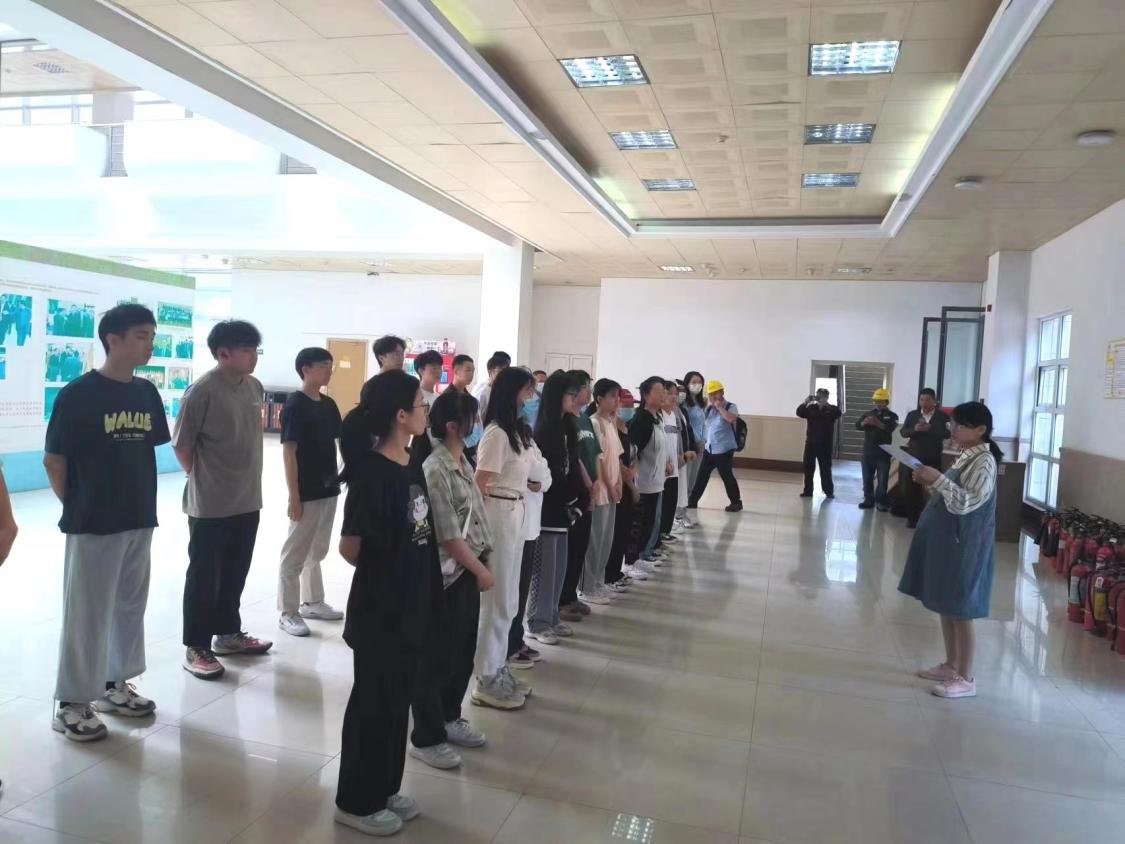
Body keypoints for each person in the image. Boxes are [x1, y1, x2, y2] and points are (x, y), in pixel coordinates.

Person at [42, 304, 169, 740]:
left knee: (129, 606)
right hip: (93, 521)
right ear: (113, 340)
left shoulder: (146, 393)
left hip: (139, 517)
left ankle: (115, 684)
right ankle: (73, 702)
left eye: (152, 336)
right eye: (141, 336)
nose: (150, 345)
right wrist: (79, 506)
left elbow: (145, 451)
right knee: (88, 613)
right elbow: (54, 460)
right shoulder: (78, 394)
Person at [334, 369, 442, 837]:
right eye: (420, 405)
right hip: (380, 611)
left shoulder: (411, 461)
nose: (425, 412)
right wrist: (391, 571)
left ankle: (385, 786)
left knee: (398, 703)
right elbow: (350, 547)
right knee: (373, 705)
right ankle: (356, 801)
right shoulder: (372, 474)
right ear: (400, 415)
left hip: (411, 606)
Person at [174, 320, 271, 680]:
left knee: (235, 570)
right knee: (204, 576)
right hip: (211, 503)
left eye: (255, 350)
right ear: (223, 353)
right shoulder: (201, 391)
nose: (252, 357)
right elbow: (182, 445)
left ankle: (228, 633)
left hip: (247, 498)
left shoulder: (254, 387)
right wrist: (202, 478)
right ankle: (196, 645)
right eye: (246, 350)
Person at [411, 389, 494, 771]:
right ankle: (426, 736)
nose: (477, 425)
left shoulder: (462, 461)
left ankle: (449, 716)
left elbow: (474, 517)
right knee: (436, 658)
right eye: (472, 420)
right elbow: (447, 535)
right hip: (447, 576)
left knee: (461, 652)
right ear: (452, 426)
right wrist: (479, 569)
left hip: (468, 572)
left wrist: (483, 560)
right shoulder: (435, 469)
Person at [897, 401, 1002, 700]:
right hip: (950, 541)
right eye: (952, 423)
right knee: (947, 604)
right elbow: (948, 494)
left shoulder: (984, 462)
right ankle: (951, 664)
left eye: (960, 424)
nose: (952, 429)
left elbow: (966, 503)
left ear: (980, 430)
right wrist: (929, 481)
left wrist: (938, 479)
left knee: (961, 609)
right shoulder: (966, 455)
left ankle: (966, 678)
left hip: (966, 544)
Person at [471, 366, 538, 710]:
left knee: (510, 599)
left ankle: (498, 666)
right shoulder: (496, 433)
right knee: (496, 600)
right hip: (497, 514)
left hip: (515, 512)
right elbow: (479, 484)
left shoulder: (517, 433)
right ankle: (485, 677)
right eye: (526, 392)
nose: (530, 398)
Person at [277, 347, 344, 638]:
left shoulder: (328, 404)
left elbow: (341, 443)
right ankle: (288, 612)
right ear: (306, 369)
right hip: (306, 490)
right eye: (324, 365)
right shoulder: (295, 405)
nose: (329, 371)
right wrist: (294, 496)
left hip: (329, 488)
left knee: (318, 549)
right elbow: (289, 453)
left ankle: (313, 602)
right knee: (295, 553)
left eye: (331, 366)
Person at [528, 371, 580, 644]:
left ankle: (552, 615)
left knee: (559, 566)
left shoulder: (567, 427)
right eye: (571, 394)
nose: (576, 399)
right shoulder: (544, 430)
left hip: (562, 507)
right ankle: (537, 622)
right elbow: (546, 473)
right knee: (545, 568)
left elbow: (570, 468)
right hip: (547, 508)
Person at [509, 397, 551, 670]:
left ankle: (517, 639)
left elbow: (545, 474)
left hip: (531, 522)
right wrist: (537, 477)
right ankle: (509, 645)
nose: (528, 404)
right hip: (516, 524)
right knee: (513, 590)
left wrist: (540, 480)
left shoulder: (528, 439)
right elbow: (535, 470)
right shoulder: (505, 437)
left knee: (522, 587)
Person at [578, 378, 623, 605]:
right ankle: (587, 587)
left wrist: (619, 484)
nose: (616, 401)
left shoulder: (611, 422)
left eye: (617, 396)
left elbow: (617, 457)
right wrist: (609, 486)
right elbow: (600, 459)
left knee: (606, 540)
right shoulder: (594, 423)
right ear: (599, 399)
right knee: (595, 541)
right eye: (612, 396)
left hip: (613, 490)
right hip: (603, 491)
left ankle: (599, 582)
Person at [630, 377, 672, 572]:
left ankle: (645, 554)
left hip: (656, 481)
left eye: (664, 391)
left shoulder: (657, 418)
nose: (664, 395)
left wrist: (667, 462)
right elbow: (633, 452)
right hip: (643, 483)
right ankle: (634, 560)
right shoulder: (641, 421)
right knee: (640, 523)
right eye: (659, 391)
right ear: (646, 395)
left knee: (652, 521)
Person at [687, 380, 743, 513]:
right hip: (710, 449)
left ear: (722, 392)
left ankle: (736, 502)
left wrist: (720, 408)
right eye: (711, 394)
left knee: (727, 476)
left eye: (716, 393)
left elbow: (731, 419)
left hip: (724, 450)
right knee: (702, 476)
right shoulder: (709, 408)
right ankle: (692, 501)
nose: (713, 396)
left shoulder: (730, 406)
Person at [606, 389, 643, 586]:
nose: (629, 409)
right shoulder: (611, 427)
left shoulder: (627, 428)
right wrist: (630, 483)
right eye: (625, 405)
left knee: (624, 531)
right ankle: (609, 575)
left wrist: (634, 473)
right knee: (615, 532)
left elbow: (633, 456)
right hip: (619, 486)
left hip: (628, 485)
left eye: (631, 406)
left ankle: (617, 571)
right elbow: (616, 461)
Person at [900, 388, 951, 528]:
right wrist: (915, 429)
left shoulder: (943, 416)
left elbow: (947, 434)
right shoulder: (913, 415)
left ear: (934, 401)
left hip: (933, 456)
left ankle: (931, 519)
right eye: (921, 399)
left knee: (934, 489)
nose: (924, 403)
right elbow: (903, 432)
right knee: (910, 489)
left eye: (928, 400)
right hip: (914, 456)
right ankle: (912, 519)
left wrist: (931, 429)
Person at [659, 381, 696, 544]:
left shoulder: (675, 414)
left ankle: (665, 533)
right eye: (670, 393)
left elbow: (681, 437)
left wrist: (683, 455)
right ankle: (658, 537)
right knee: (662, 502)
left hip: (677, 462)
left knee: (672, 498)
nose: (674, 396)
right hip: (663, 467)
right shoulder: (659, 416)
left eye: (676, 393)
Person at [856, 388, 899, 512]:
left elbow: (890, 429)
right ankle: (868, 500)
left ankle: (881, 502)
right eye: (876, 401)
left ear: (886, 402)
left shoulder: (892, 416)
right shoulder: (868, 414)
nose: (878, 403)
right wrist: (864, 422)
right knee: (867, 478)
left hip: (883, 454)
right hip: (868, 452)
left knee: (882, 479)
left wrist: (877, 423)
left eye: (881, 401)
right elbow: (857, 425)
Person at [797, 388, 842, 499]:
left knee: (825, 468)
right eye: (818, 395)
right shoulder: (811, 408)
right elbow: (799, 412)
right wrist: (806, 402)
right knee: (808, 468)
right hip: (811, 443)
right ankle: (808, 491)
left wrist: (826, 405)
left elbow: (838, 413)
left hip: (825, 445)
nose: (820, 397)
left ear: (827, 397)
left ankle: (828, 491)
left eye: (822, 396)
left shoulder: (831, 409)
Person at [677, 371, 707, 529]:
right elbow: (687, 426)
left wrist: (704, 440)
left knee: (692, 482)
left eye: (700, 382)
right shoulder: (684, 405)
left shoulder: (701, 403)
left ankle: (683, 512)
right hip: (690, 446)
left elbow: (703, 424)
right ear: (687, 384)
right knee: (685, 480)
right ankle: (678, 514)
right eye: (694, 382)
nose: (697, 385)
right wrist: (695, 443)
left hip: (700, 446)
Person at [473, 352, 509, 422]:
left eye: (505, 372)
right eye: (500, 371)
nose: (504, 375)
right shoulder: (483, 391)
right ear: (490, 372)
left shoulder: (499, 388)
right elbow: (478, 419)